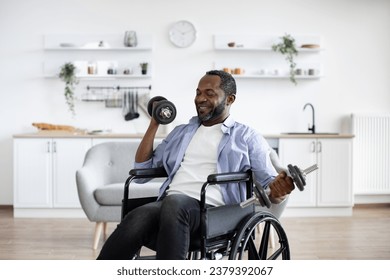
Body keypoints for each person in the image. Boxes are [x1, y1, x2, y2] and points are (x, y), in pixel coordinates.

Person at [97, 70, 294, 260]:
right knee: (137, 216)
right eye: (198, 93)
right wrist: (154, 123)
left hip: (215, 212)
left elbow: (272, 187)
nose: (200, 98)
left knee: (175, 203)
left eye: (210, 93)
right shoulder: (182, 132)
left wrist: (280, 191)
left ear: (230, 99)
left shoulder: (247, 136)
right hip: (170, 205)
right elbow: (141, 170)